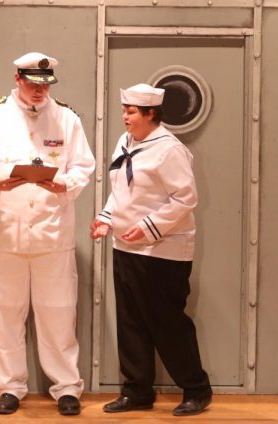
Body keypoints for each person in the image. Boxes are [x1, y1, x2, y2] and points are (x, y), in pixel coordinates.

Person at [0, 51, 94, 417]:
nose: (40, 92)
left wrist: (65, 183)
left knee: (59, 311)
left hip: (52, 233)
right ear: (18, 78)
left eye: (45, 85)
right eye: (33, 84)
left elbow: (83, 164)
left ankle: (66, 387)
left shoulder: (66, 118)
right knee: (5, 312)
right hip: (4, 231)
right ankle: (11, 387)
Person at [90, 83, 213, 417]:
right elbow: (121, 188)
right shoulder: (125, 142)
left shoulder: (169, 150)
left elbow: (185, 199)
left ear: (150, 114)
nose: (124, 116)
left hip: (163, 253)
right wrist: (105, 219)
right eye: (124, 109)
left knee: (167, 323)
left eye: (130, 111)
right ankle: (137, 390)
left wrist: (147, 227)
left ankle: (196, 389)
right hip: (125, 246)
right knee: (130, 321)